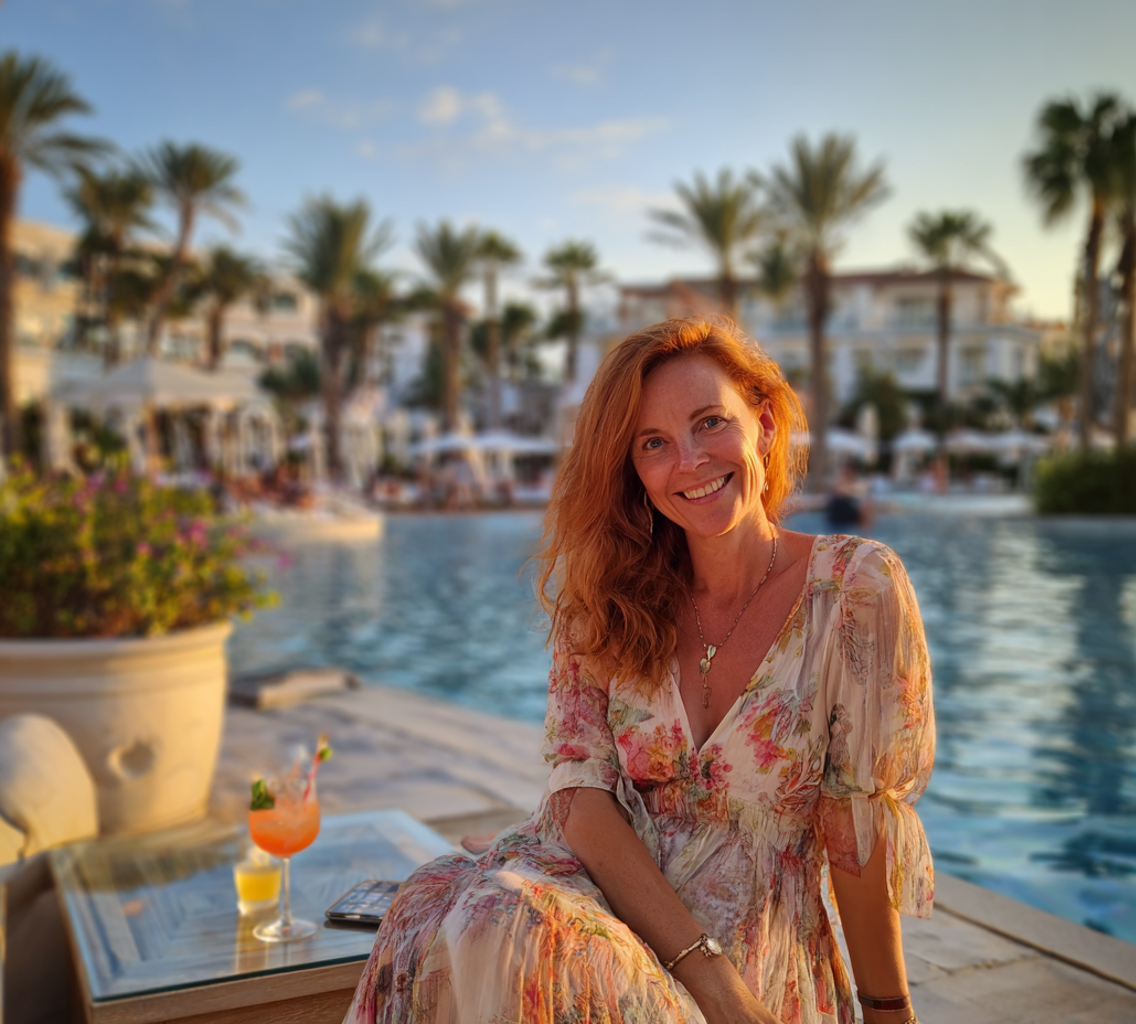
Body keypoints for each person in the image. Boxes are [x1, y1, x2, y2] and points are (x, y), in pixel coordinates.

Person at [344, 316, 934, 1024]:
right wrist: (707, 976)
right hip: (607, 901)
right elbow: (580, 795)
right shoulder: (604, 600)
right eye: (654, 443)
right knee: (453, 907)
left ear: (766, 424)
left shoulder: (854, 590)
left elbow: (858, 828)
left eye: (710, 422)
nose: (688, 460)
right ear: (631, 467)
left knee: (497, 925)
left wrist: (888, 1009)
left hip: (759, 946)